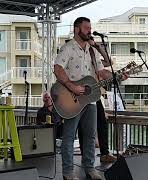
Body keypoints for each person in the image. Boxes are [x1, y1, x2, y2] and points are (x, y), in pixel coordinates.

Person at [53, 17, 115, 180]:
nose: (89, 30)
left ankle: (90, 168)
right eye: (86, 27)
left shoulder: (92, 51)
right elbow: (58, 69)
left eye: (90, 27)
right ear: (76, 29)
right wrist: (73, 87)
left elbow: (103, 72)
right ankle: (67, 173)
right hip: (72, 99)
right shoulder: (68, 48)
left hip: (91, 100)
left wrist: (118, 75)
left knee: (90, 136)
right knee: (69, 136)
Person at [78, 36, 117, 163]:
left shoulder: (95, 59)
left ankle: (105, 153)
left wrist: (98, 47)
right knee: (83, 126)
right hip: (82, 95)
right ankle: (85, 155)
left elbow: (109, 62)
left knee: (102, 122)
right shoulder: (79, 57)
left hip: (95, 95)